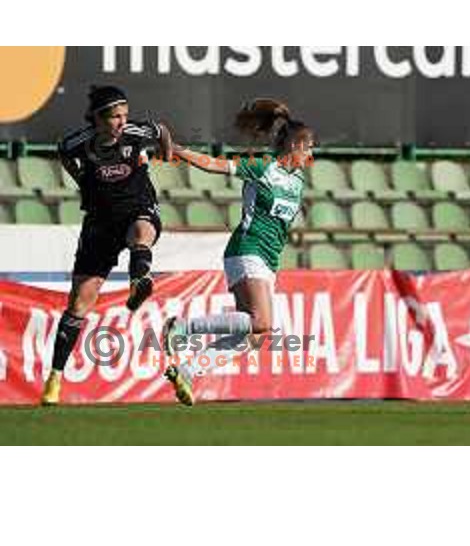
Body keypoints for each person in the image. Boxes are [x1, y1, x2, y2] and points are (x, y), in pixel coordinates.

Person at [162, 98, 315, 406]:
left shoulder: (298, 179)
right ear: (296, 146)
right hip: (248, 249)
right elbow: (213, 164)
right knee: (262, 322)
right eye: (309, 148)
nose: (311, 155)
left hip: (269, 260)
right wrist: (177, 151)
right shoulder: (262, 167)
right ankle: (182, 328)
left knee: (256, 337)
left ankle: (188, 371)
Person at [41, 85, 174, 406]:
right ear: (98, 119)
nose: (121, 122)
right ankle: (55, 378)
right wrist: (81, 180)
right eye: (114, 116)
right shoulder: (78, 142)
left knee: (142, 232)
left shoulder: (136, 132)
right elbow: (63, 151)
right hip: (100, 222)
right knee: (78, 306)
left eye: (124, 115)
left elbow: (162, 131)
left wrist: (166, 154)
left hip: (136, 208)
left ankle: (137, 279)